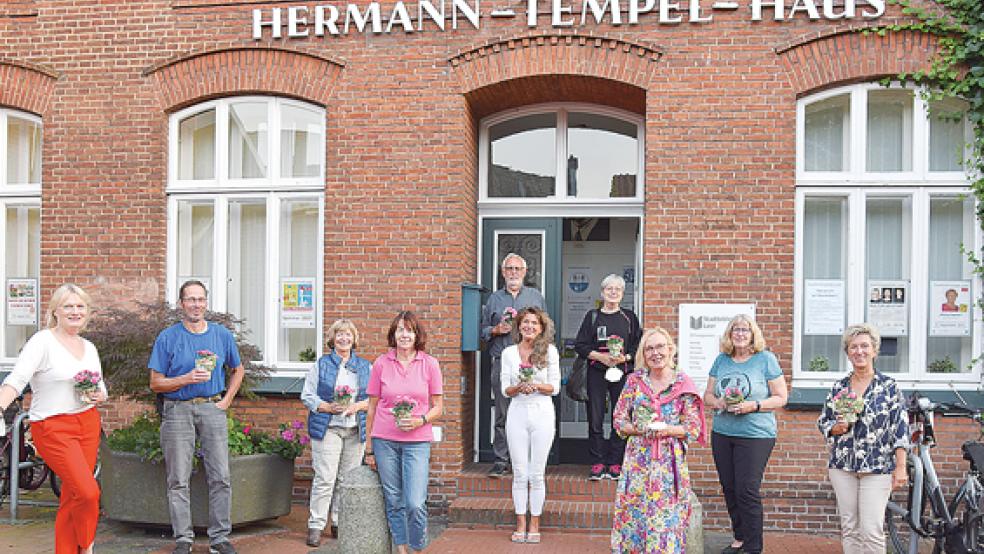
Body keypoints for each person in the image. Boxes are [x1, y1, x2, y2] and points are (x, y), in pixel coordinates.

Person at [0, 284, 108, 554]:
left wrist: (99, 394)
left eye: (80, 306)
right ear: (55, 311)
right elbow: (17, 379)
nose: (75, 311)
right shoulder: (42, 342)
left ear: (87, 312)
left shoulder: (89, 347)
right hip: (53, 427)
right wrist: (0, 405)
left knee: (73, 496)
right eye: (68, 306)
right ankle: (86, 545)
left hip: (87, 423)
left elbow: (101, 386)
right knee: (88, 492)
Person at [149, 280, 245, 554]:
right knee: (178, 478)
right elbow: (155, 383)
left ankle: (219, 538)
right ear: (182, 304)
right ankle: (183, 539)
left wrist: (226, 400)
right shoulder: (168, 337)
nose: (196, 304)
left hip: (212, 407)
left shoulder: (221, 335)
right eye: (191, 299)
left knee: (220, 476)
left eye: (200, 299)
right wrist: (186, 378)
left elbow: (238, 369)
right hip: (177, 410)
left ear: (206, 302)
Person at [611, 327, 706, 553]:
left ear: (671, 349)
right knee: (634, 515)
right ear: (643, 355)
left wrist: (667, 429)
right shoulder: (634, 382)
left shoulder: (683, 384)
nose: (655, 353)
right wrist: (639, 429)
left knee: (667, 518)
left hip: (668, 464)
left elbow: (693, 428)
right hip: (638, 462)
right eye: (649, 349)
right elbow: (619, 420)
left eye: (660, 347)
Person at [817, 324, 908, 554]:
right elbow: (823, 421)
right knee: (850, 528)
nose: (859, 351)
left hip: (878, 467)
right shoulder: (839, 387)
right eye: (853, 347)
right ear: (847, 353)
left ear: (874, 350)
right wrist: (836, 428)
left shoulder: (888, 386)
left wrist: (901, 467)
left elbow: (900, 429)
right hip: (842, 466)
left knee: (870, 529)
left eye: (865, 346)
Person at [703, 314, 788, 554]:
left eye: (745, 330)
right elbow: (707, 395)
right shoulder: (721, 360)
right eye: (736, 329)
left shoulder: (765, 359)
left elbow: (781, 397)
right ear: (729, 334)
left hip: (756, 435)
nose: (740, 334)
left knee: (747, 489)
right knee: (729, 487)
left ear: (753, 334)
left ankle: (753, 546)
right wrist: (718, 402)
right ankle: (740, 537)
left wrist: (755, 405)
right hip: (722, 432)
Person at [365, 311, 444, 554]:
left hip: (417, 441)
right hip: (384, 440)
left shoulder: (430, 364)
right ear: (394, 334)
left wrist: (420, 420)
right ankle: (401, 550)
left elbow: (438, 407)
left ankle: (417, 548)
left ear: (417, 335)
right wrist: (369, 448)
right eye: (400, 329)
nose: (404, 335)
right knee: (394, 500)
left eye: (409, 330)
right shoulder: (381, 363)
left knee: (415, 502)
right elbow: (371, 407)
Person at [300, 319, 372, 547]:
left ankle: (339, 522)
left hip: (355, 429)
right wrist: (327, 407)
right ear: (332, 339)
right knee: (325, 478)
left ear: (354, 338)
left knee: (346, 480)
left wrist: (357, 406)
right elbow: (307, 395)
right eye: (339, 334)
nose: (344, 338)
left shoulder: (365, 367)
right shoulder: (321, 365)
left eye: (348, 334)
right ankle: (316, 525)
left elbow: (374, 399)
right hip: (328, 427)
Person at [480, 253, 546, 478]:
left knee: (531, 412)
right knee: (503, 413)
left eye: (518, 269)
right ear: (503, 272)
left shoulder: (535, 297)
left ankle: (527, 460)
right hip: (502, 362)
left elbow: (545, 328)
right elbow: (482, 330)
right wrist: (495, 330)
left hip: (530, 361)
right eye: (509, 269)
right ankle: (501, 460)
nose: (513, 273)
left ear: (525, 272)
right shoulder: (494, 299)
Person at [500, 307, 560, 544]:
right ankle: (520, 523)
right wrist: (518, 387)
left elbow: (555, 387)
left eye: (534, 323)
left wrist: (535, 385)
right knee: (519, 472)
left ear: (541, 328)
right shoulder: (508, 353)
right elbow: (505, 389)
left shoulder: (550, 351)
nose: (529, 327)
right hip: (517, 411)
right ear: (519, 326)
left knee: (536, 473)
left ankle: (534, 522)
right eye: (525, 322)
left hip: (542, 412)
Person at [573, 273, 642, 480]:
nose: (613, 292)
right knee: (595, 418)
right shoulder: (592, 316)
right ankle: (597, 461)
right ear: (602, 292)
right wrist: (601, 357)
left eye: (617, 289)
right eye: (609, 289)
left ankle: (615, 462)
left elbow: (637, 346)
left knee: (620, 417)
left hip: (622, 373)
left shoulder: (629, 317)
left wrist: (624, 358)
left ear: (622, 293)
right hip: (596, 372)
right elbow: (580, 345)